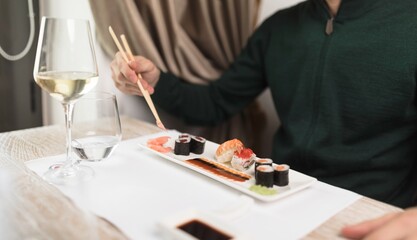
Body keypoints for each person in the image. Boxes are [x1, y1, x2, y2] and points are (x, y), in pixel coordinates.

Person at [111, 0, 417, 238]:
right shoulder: (278, 27)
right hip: (274, 197)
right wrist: (155, 81)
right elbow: (215, 103)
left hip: (371, 212)